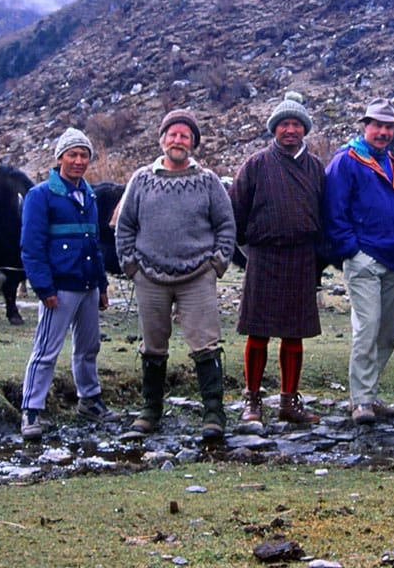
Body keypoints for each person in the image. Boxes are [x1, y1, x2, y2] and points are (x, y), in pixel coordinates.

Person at [114, 109, 236, 439]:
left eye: (184, 135)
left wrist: (217, 263)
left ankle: (213, 413)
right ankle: (150, 410)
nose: (177, 140)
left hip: (197, 275)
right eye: (172, 134)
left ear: (193, 143)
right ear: (162, 139)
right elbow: (125, 226)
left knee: (205, 344)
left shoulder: (208, 181)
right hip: (149, 276)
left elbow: (226, 225)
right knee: (153, 346)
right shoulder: (141, 179)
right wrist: (131, 266)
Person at [229, 92, 326, 426]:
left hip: (302, 256)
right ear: (274, 129)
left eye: (296, 124)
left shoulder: (315, 167)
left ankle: (289, 401)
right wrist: (249, 252)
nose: (290, 130)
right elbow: (235, 213)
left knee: (294, 333)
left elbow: (324, 214)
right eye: (284, 124)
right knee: (258, 331)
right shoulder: (256, 164)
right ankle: (252, 400)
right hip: (265, 256)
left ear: (304, 129)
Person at [19, 127, 118, 440]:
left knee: (89, 347)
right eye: (72, 154)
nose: (78, 161)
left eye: (83, 155)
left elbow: (94, 243)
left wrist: (101, 286)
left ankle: (89, 399)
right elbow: (31, 247)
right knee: (46, 350)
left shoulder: (88, 195)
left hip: (88, 285)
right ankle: (31, 410)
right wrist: (44, 288)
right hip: (59, 289)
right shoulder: (40, 196)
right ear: (59, 157)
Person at [323, 98, 394, 425]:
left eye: (390, 127)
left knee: (387, 332)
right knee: (367, 328)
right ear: (366, 125)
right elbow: (334, 210)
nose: (384, 132)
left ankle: (370, 393)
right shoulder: (346, 160)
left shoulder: (391, 161)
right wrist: (351, 249)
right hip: (364, 259)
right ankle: (360, 400)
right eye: (379, 125)